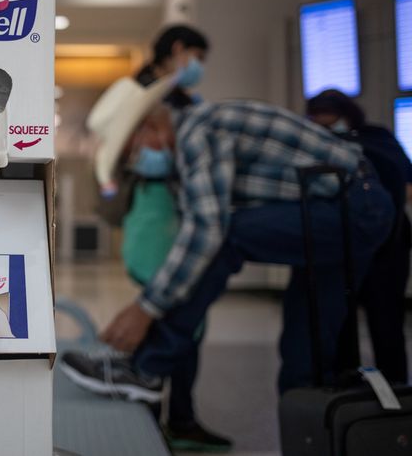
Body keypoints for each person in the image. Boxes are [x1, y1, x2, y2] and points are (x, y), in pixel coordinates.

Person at [62, 98, 394, 414]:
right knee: (303, 349)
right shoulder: (183, 160)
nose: (137, 162)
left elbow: (208, 229)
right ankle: (311, 437)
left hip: (355, 207)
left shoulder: (197, 132)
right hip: (336, 210)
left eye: (133, 151)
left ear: (151, 126)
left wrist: (147, 307)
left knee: (227, 235)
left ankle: (147, 369)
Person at [131, 26, 232, 451]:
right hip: (156, 214)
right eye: (197, 56)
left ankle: (178, 416)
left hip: (182, 210)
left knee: (191, 316)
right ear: (178, 50)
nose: (199, 67)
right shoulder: (140, 93)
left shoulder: (189, 102)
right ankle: (150, 418)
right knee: (168, 313)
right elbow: (125, 149)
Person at [306, 89, 411, 384]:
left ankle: (395, 394)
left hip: (387, 243)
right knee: (340, 326)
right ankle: (347, 395)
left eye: (330, 119)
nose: (325, 127)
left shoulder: (377, 138)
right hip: (340, 242)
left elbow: (406, 184)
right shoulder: (317, 142)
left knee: (386, 323)